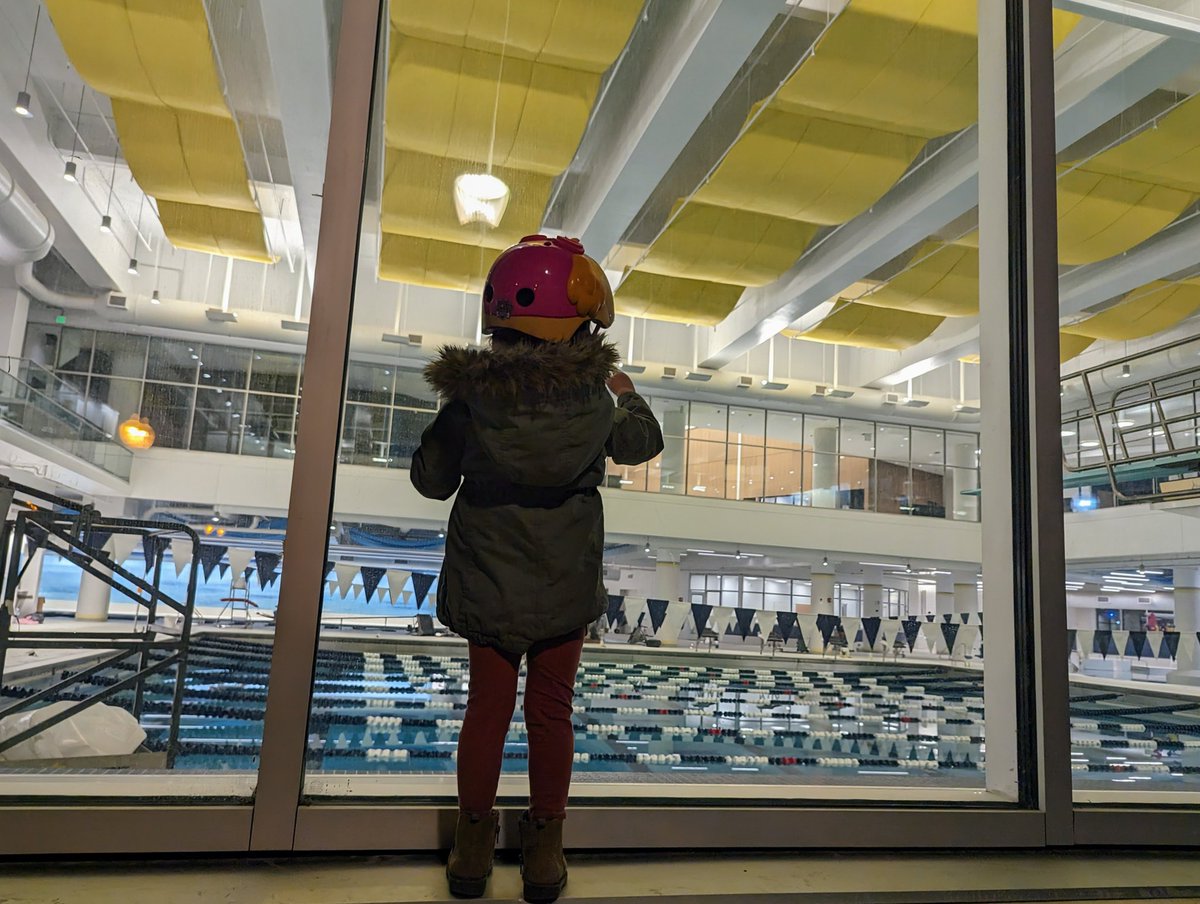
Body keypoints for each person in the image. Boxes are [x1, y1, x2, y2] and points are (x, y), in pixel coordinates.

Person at [410, 234, 664, 902]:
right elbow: (643, 444)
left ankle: (470, 857)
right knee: (551, 713)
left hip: (485, 578)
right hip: (562, 583)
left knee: (486, 712)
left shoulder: (470, 403)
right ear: (575, 325)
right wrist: (628, 394)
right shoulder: (596, 403)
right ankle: (544, 859)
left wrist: (451, 428)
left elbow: (432, 482)